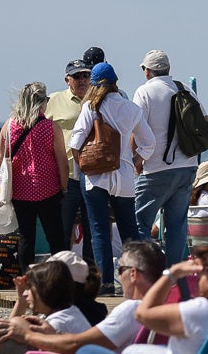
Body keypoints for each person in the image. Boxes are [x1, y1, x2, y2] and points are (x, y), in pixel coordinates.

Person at [0, 240, 165, 354]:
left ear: (133, 274)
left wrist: (27, 334)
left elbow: (77, 344)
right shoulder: (158, 311)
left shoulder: (131, 309)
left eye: (120, 269)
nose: (118, 276)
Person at [71, 63, 155, 296]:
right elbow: (149, 143)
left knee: (99, 231)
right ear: (116, 82)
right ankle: (137, 281)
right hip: (125, 176)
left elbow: (75, 142)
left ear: (95, 84)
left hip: (95, 178)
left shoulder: (91, 106)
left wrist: (84, 167)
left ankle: (105, 284)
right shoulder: (131, 108)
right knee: (130, 230)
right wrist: (136, 161)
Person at [132, 51, 208, 267]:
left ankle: (146, 271)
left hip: (155, 168)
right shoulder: (184, 89)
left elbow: (135, 128)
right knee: (176, 226)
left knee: (140, 224)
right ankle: (173, 275)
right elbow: (205, 120)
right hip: (187, 166)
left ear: (147, 72)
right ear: (167, 69)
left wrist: (137, 161)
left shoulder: (144, 92)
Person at [129, 237, 208, 354]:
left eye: (200, 274)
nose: (197, 280)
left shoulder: (202, 311)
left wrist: (172, 273)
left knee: (130, 351)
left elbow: (142, 314)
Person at [0, 81, 69, 273]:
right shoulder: (50, 127)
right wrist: (64, 187)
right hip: (48, 188)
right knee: (55, 237)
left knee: (26, 237)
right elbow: (62, 162)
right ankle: (60, 277)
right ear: (41, 102)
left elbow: (1, 160)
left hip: (20, 190)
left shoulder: (9, 125)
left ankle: (27, 280)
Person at [47, 59, 96, 265]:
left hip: (93, 173)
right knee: (63, 230)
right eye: (77, 76)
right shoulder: (53, 100)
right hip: (65, 176)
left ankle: (92, 277)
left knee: (93, 229)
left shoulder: (98, 99)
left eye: (86, 75)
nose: (83, 80)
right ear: (67, 80)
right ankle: (60, 275)